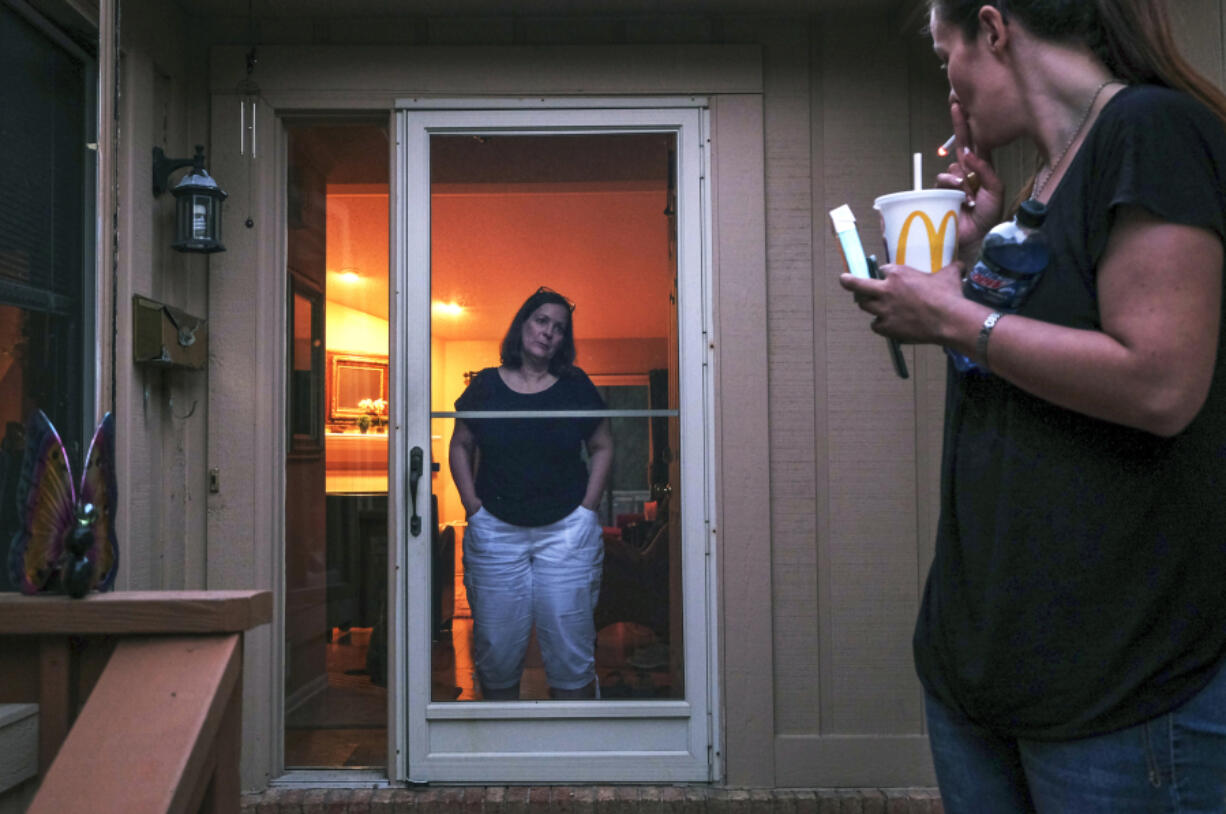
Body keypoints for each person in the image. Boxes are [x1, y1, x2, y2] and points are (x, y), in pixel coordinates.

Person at [840, 1, 1226, 810]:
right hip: (978, 675)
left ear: (994, 30)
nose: (951, 88)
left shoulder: (1152, 129)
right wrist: (980, 243)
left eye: (947, 58)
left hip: (1116, 689)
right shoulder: (1046, 181)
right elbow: (1028, 352)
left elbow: (1159, 382)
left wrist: (950, 316)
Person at [449, 286, 613, 700]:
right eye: (542, 321)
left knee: (569, 643)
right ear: (523, 324)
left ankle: (572, 751)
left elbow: (603, 445)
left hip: (566, 533)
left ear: (564, 340)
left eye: (559, 328)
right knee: (497, 647)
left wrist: (587, 510)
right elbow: (460, 445)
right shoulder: (486, 385)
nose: (548, 333)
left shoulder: (575, 386)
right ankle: (502, 754)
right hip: (496, 531)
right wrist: (473, 507)